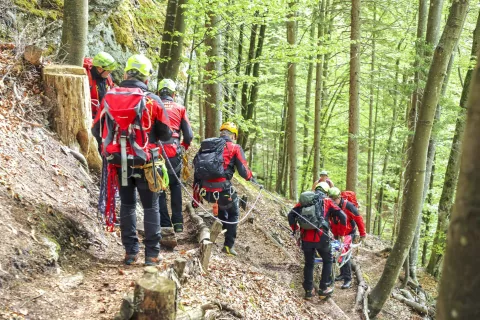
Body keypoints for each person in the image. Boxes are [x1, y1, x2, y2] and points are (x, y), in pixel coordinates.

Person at [92, 54, 172, 266]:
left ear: (126, 73)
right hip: (147, 163)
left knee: (127, 204)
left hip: (119, 163)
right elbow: (166, 134)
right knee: (151, 207)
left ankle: (130, 252)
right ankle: (152, 256)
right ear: (146, 78)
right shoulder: (152, 100)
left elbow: (95, 129)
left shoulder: (110, 96)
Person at [192, 122, 253, 256]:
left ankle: (220, 229)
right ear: (233, 136)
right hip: (222, 191)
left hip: (205, 191)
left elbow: (196, 166)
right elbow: (243, 171)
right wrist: (251, 177)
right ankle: (228, 246)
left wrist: (196, 193)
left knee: (222, 208)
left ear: (221, 133)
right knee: (233, 213)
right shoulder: (234, 147)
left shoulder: (207, 145)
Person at [288, 188, 347, 299]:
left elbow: (290, 215)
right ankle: (323, 288)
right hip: (322, 238)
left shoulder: (303, 202)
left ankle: (308, 291)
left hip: (306, 238)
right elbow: (343, 216)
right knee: (328, 260)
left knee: (309, 263)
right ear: (325, 192)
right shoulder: (327, 201)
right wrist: (342, 234)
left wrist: (295, 229)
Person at [157, 78, 193, 233]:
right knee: (176, 185)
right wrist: (183, 146)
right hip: (174, 151)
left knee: (159, 187)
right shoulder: (180, 108)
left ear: (159, 92)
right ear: (174, 93)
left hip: (156, 152)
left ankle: (164, 223)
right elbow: (189, 135)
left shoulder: (154, 105)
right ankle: (178, 223)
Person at [328, 187, 366, 289]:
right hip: (337, 232)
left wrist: (363, 234)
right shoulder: (331, 205)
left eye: (335, 199)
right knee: (338, 252)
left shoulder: (349, 206)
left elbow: (359, 219)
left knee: (345, 254)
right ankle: (342, 274)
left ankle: (348, 279)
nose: (333, 201)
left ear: (339, 197)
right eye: (331, 199)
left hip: (349, 233)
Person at [84, 52, 117, 152]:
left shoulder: (107, 78)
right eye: (108, 70)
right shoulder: (86, 76)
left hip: (103, 115)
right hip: (89, 115)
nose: (110, 73)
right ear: (99, 68)